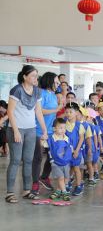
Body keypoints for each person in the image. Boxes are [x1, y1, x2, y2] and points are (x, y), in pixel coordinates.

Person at [5, 65, 48, 203]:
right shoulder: (17, 90)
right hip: (16, 129)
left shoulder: (37, 91)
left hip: (31, 129)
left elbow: (38, 112)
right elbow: (10, 112)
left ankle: (26, 190)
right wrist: (16, 131)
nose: (36, 78)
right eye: (33, 76)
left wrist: (44, 129)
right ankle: (10, 192)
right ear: (25, 76)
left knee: (28, 160)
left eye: (36, 75)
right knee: (16, 160)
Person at [31, 72, 62, 194]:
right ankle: (35, 183)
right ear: (49, 81)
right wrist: (57, 109)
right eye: (56, 82)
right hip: (38, 131)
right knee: (38, 158)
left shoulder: (53, 95)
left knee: (52, 157)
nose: (58, 84)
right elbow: (39, 111)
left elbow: (53, 114)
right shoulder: (41, 93)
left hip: (50, 132)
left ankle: (44, 177)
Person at [47, 118, 72, 201]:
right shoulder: (51, 138)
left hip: (65, 162)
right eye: (60, 128)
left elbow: (70, 148)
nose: (63, 130)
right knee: (60, 177)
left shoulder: (67, 138)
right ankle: (65, 192)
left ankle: (58, 191)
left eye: (64, 128)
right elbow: (44, 144)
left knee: (66, 178)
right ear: (54, 128)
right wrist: (42, 138)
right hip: (55, 162)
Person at [64, 102, 85, 196]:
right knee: (67, 169)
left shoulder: (79, 125)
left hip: (76, 151)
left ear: (76, 113)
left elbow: (81, 138)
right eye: (67, 112)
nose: (68, 114)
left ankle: (79, 186)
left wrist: (77, 150)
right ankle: (67, 184)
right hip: (66, 152)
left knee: (76, 169)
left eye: (70, 112)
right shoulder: (63, 124)